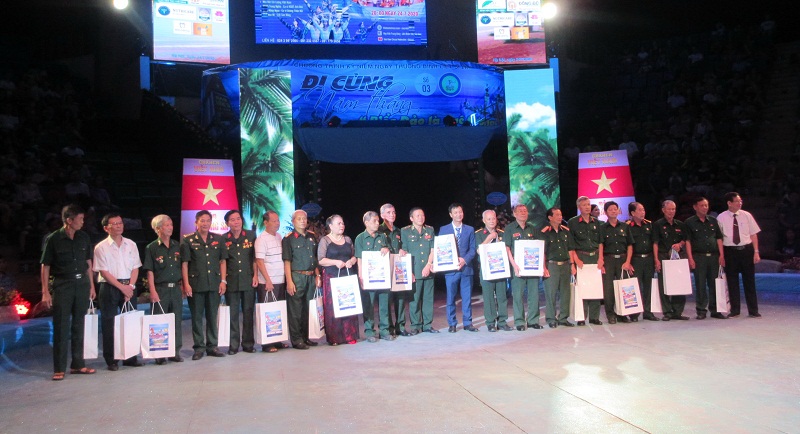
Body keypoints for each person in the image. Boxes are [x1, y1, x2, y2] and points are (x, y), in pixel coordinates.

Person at [40, 204, 96, 381]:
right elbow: (45, 265)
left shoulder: (83, 237)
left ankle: (78, 364)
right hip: (63, 284)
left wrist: (92, 285)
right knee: (61, 326)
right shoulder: (53, 239)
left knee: (79, 324)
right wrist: (45, 291)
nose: (82, 222)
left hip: (82, 283)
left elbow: (88, 263)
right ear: (69, 220)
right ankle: (59, 368)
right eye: (80, 219)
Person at [93, 213, 143, 370]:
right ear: (106, 228)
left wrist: (130, 287)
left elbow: (136, 267)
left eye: (120, 222)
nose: (119, 225)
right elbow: (104, 272)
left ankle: (130, 357)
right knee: (109, 323)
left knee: (130, 322)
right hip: (110, 287)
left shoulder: (131, 244)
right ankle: (112, 360)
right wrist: (122, 288)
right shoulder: (101, 247)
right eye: (114, 224)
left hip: (129, 286)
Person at [181, 210, 228, 360]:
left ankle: (212, 346)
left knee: (212, 316)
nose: (205, 223)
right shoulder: (188, 240)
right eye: (202, 220)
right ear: (196, 222)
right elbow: (184, 264)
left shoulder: (218, 239)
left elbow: (222, 261)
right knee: (196, 317)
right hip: (196, 284)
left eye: (208, 220)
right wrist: (186, 284)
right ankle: (199, 348)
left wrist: (223, 281)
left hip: (214, 283)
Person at [142, 214, 185, 364]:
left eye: (171, 224)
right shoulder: (152, 247)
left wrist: (183, 285)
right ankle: (159, 353)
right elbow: (150, 271)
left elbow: (182, 267)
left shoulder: (177, 245)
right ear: (158, 228)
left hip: (176, 288)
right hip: (161, 289)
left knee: (176, 320)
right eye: (167, 225)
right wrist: (152, 291)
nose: (170, 228)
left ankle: (175, 352)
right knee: (159, 321)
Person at [717, 192, 762, 318]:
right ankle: (735, 310)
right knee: (732, 281)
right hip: (730, 251)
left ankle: (753, 310)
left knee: (749, 281)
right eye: (737, 201)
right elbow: (719, 238)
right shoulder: (721, 217)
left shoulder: (747, 215)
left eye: (740, 201)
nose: (740, 203)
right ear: (729, 203)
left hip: (746, 250)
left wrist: (756, 252)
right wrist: (721, 255)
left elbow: (753, 234)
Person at [282, 210, 321, 349]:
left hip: (311, 276)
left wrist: (318, 275)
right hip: (297, 276)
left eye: (304, 218)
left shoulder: (312, 236)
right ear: (293, 221)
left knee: (307, 309)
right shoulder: (288, 239)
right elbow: (287, 261)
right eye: (299, 219)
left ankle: (305, 337)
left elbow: (314, 258)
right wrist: (289, 281)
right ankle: (297, 340)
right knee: (295, 310)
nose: (303, 221)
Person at [318, 214, 359, 345]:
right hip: (332, 277)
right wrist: (335, 262)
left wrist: (351, 261)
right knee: (333, 307)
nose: (342, 226)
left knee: (348, 305)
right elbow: (321, 260)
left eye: (342, 223)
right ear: (330, 226)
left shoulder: (347, 239)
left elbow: (354, 256)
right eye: (338, 223)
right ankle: (334, 337)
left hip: (347, 276)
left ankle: (349, 335)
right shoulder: (325, 240)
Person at [355, 211, 394, 342]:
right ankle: (369, 332)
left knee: (384, 305)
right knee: (369, 305)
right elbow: (359, 259)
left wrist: (386, 249)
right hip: (368, 277)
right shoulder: (360, 238)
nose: (378, 223)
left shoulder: (382, 236)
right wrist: (361, 277)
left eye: (378, 221)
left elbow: (389, 251)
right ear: (366, 223)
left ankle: (384, 330)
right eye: (374, 221)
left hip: (382, 277)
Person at [223, 210, 258, 355]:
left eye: (238, 219)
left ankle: (248, 344)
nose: (236, 222)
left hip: (248, 279)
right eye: (232, 220)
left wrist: (255, 275)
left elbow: (255, 258)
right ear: (227, 223)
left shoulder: (251, 235)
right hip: (231, 281)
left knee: (248, 312)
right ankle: (233, 345)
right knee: (233, 314)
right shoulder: (223, 239)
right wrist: (223, 280)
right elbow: (222, 261)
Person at [685, 197, 726, 319]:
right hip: (699, 257)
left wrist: (722, 255)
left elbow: (719, 238)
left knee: (715, 284)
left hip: (714, 257)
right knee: (700, 284)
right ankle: (701, 310)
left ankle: (715, 310)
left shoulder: (713, 220)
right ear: (695, 207)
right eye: (702, 205)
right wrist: (690, 258)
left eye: (706, 205)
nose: (705, 208)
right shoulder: (689, 222)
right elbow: (688, 241)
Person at [438, 203, 477, 332]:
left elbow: (473, 249)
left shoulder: (469, 229)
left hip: (466, 268)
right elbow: (441, 249)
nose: (458, 214)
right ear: (451, 214)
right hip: (451, 270)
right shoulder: (444, 229)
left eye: (460, 212)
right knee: (451, 297)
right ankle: (452, 323)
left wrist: (464, 260)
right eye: (455, 212)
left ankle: (468, 323)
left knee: (467, 298)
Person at [503, 204, 542, 330]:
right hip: (517, 267)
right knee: (518, 296)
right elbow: (507, 248)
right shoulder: (509, 228)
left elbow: (538, 246)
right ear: (514, 214)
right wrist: (514, 265)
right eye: (520, 211)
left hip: (532, 266)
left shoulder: (532, 228)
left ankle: (533, 320)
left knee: (534, 294)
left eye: (525, 211)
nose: (523, 213)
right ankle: (519, 322)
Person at [254, 210, 289, 352]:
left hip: (280, 280)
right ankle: (267, 344)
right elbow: (259, 261)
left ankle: (277, 340)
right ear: (265, 223)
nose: (277, 223)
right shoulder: (261, 239)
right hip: (268, 282)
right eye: (274, 221)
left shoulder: (279, 236)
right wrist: (268, 280)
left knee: (278, 312)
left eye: (278, 220)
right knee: (268, 313)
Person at [400, 207, 438, 334]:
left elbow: (433, 249)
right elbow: (404, 252)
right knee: (414, 300)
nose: (421, 218)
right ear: (411, 218)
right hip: (414, 271)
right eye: (417, 215)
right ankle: (415, 326)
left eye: (422, 215)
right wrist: (409, 271)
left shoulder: (430, 230)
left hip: (428, 269)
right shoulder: (405, 231)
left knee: (428, 299)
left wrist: (428, 264)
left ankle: (427, 325)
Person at [597, 201, 635, 324]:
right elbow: (601, 244)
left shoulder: (625, 226)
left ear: (618, 211)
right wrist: (601, 260)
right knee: (608, 289)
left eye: (615, 209)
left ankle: (622, 314)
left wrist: (628, 261)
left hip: (623, 260)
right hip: (608, 259)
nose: (613, 211)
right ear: (606, 212)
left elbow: (630, 245)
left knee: (623, 288)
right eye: (610, 209)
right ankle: (610, 314)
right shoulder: (602, 227)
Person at [474, 210, 511, 332]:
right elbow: (478, 251)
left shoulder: (502, 233)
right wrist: (489, 238)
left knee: (502, 296)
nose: (491, 221)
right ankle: (490, 322)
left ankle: (502, 322)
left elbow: (507, 250)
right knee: (489, 297)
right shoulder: (479, 234)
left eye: (493, 218)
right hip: (486, 270)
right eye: (489, 219)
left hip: (500, 269)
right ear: (484, 220)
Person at [568, 196, 603, 326]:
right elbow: (571, 244)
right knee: (582, 288)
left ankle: (594, 317)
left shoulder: (597, 222)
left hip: (595, 257)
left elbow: (600, 242)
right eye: (584, 205)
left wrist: (601, 258)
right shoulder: (573, 222)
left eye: (588, 204)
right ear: (579, 207)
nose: (587, 207)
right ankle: (581, 317)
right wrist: (575, 259)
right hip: (581, 256)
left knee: (595, 287)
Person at [653, 200, 689, 321]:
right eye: (669, 209)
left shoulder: (680, 224)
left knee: (679, 283)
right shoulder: (658, 224)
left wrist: (680, 244)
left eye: (673, 209)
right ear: (663, 210)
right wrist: (656, 260)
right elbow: (655, 243)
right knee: (664, 284)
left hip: (678, 257)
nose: (671, 211)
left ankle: (677, 312)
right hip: (663, 256)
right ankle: (667, 312)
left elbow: (685, 240)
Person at [540, 207, 575, 328]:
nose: (560, 217)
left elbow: (570, 249)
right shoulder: (544, 232)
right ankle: (551, 318)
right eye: (557, 215)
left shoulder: (566, 231)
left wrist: (572, 264)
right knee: (551, 293)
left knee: (565, 293)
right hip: (551, 265)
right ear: (550, 217)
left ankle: (563, 318)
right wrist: (544, 268)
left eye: (560, 215)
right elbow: (542, 251)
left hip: (565, 264)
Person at [377, 203, 406, 336]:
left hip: (398, 268)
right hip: (384, 269)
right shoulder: (379, 230)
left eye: (393, 212)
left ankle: (400, 326)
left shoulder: (399, 231)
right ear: (382, 215)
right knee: (386, 300)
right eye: (388, 212)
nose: (392, 215)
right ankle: (387, 327)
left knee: (400, 298)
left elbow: (403, 247)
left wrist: (403, 250)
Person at [627, 202, 659, 321]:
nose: (643, 212)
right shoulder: (628, 226)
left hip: (649, 258)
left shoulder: (649, 224)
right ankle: (634, 314)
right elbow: (627, 246)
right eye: (640, 210)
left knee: (648, 286)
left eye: (643, 210)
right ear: (632, 213)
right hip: (635, 259)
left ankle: (648, 312)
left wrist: (656, 259)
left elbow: (654, 242)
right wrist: (628, 262)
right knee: (635, 287)